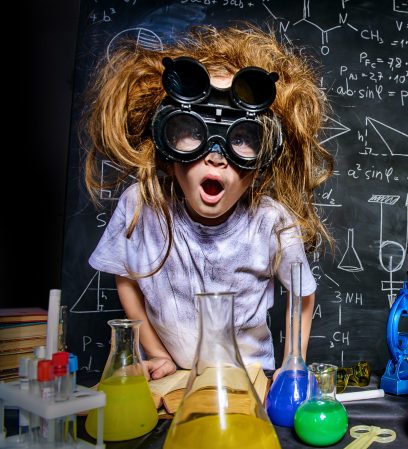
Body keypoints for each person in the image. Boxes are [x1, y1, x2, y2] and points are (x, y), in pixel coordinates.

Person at [83, 24, 334, 380]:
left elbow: (302, 295)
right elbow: (126, 277)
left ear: (261, 163)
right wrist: (158, 354)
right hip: (176, 378)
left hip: (248, 377)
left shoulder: (271, 222)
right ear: (166, 146)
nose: (216, 157)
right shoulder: (141, 204)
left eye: (242, 137)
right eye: (190, 131)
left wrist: (293, 362)